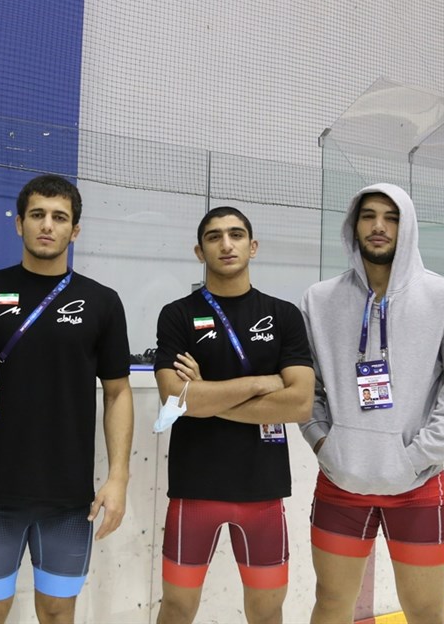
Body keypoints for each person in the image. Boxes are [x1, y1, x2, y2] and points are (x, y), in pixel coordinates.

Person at [0, 174, 134, 624]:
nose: (48, 225)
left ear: (75, 230)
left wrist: (118, 478)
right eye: (38, 215)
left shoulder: (101, 302)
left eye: (60, 217)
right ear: (19, 223)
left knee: (58, 612)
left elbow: (118, 392)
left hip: (69, 501)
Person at [300, 184, 444, 624]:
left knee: (425, 612)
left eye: (392, 217)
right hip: (341, 482)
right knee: (331, 602)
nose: (379, 226)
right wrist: (324, 443)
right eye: (368, 216)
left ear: (409, 226)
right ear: (353, 225)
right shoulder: (319, 300)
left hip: (417, 486)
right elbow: (308, 386)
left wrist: (414, 459)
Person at [152, 207, 314, 624]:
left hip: (263, 493)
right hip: (194, 491)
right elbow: (176, 399)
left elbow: (299, 403)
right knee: (176, 609)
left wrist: (206, 394)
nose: (226, 244)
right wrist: (262, 383)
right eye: (214, 237)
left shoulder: (283, 315)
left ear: (252, 246)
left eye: (236, 235)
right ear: (199, 251)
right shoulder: (177, 315)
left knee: (267, 612)